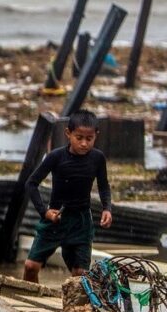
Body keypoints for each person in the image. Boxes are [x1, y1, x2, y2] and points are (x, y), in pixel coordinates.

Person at [23, 109, 113, 283]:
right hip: (55, 218)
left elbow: (103, 186)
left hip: (81, 222)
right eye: (79, 138)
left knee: (80, 275)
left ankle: (72, 308)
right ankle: (29, 299)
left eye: (89, 139)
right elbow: (31, 184)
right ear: (68, 133)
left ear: (96, 136)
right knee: (30, 266)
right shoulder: (55, 157)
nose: (84, 144)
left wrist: (106, 208)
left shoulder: (98, 158)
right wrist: (44, 212)